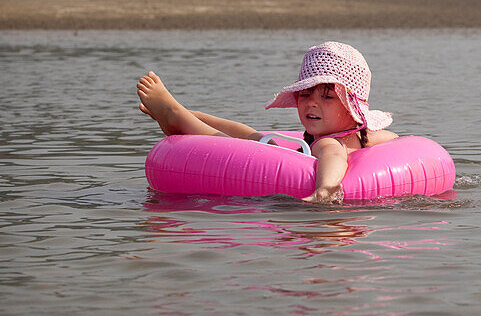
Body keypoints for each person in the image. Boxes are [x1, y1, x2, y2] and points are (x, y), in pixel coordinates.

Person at [137, 41, 398, 204]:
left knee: (238, 142)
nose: (312, 103)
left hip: (292, 165)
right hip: (297, 154)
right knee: (251, 135)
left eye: (328, 97)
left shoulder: (329, 142)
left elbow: (334, 157)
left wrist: (326, 189)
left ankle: (177, 116)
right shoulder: (364, 134)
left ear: (352, 109)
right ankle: (184, 113)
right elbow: (393, 138)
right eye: (305, 94)